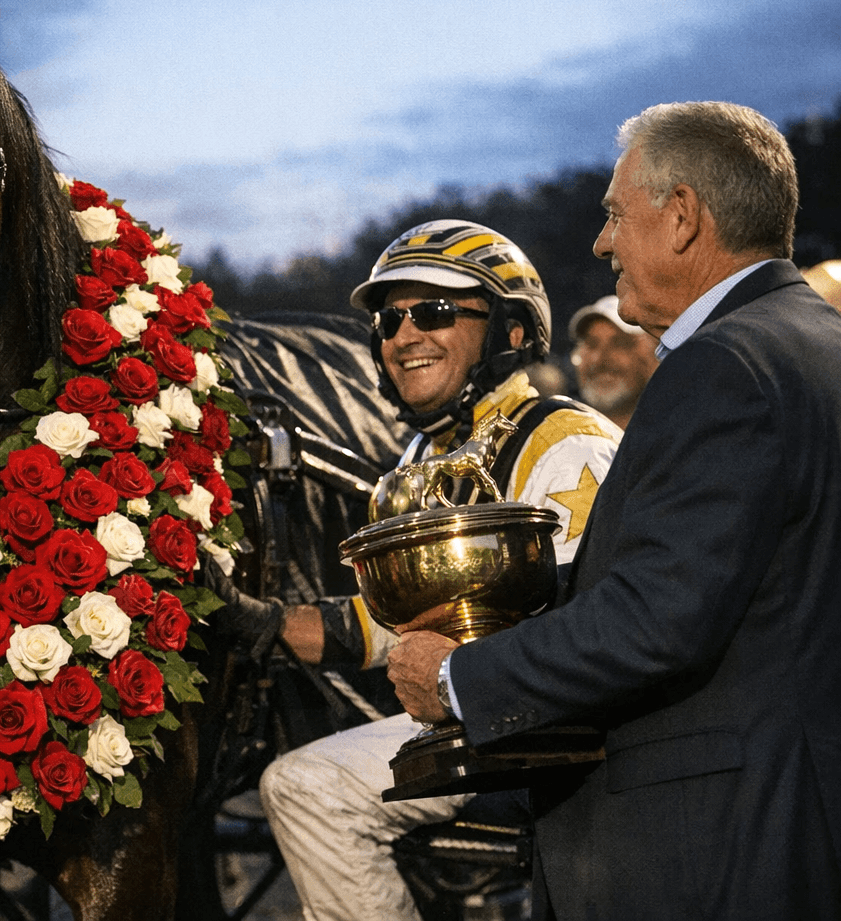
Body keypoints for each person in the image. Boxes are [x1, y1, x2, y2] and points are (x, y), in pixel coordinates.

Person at [389, 102, 841, 919]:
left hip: (710, 845)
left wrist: (460, 676)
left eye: (612, 215)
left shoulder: (724, 366)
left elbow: (659, 617)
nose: (600, 244)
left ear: (681, 216)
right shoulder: (815, 341)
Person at [209, 220, 620, 921]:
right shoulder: (415, 462)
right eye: (389, 318)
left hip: (558, 728)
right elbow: (392, 624)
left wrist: (455, 676)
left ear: (511, 332)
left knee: (307, 785)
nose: (403, 336)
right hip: (481, 718)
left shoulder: (566, 439)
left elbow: (592, 626)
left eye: (432, 312)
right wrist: (263, 622)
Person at [567, 294, 659, 428]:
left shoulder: (680, 438)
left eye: (619, 343)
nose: (598, 359)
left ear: (652, 357)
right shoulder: (562, 440)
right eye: (591, 344)